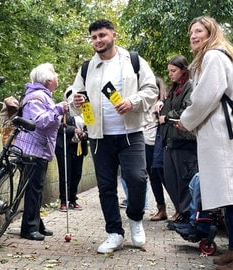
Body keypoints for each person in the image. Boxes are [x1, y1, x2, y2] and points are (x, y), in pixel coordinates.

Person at [69, 19, 158, 253]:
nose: (98, 40)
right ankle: (114, 233)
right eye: (94, 37)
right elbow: (73, 98)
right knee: (106, 187)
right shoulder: (87, 68)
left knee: (138, 178)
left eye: (102, 35)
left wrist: (132, 101)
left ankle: (135, 219)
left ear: (113, 35)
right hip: (100, 137)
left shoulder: (133, 61)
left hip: (131, 133)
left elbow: (151, 90)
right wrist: (75, 100)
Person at [175, 16, 233, 270]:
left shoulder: (214, 57)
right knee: (228, 196)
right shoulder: (210, 58)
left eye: (199, 31)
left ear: (211, 33)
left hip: (225, 137)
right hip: (219, 135)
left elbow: (204, 98)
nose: (193, 35)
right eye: (191, 32)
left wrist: (186, 120)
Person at [15, 62, 67, 241]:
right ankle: (29, 228)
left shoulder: (42, 96)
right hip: (32, 149)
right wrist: (59, 109)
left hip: (38, 149)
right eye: (55, 73)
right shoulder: (38, 96)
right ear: (48, 79)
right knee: (33, 188)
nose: (57, 76)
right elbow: (40, 121)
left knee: (37, 188)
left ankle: (37, 224)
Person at [157, 55, 197, 230]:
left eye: (173, 71)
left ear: (183, 70)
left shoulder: (190, 86)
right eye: (169, 71)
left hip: (184, 141)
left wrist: (167, 116)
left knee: (184, 179)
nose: (170, 74)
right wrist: (161, 105)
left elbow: (187, 109)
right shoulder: (175, 89)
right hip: (170, 141)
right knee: (170, 178)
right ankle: (181, 211)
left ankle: (187, 215)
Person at [55, 87, 88, 212]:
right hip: (65, 147)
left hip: (79, 147)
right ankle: (64, 201)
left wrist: (84, 134)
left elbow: (90, 127)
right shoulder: (64, 110)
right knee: (65, 174)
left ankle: (73, 199)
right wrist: (73, 130)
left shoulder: (85, 111)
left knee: (77, 174)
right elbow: (58, 126)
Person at [146, 76, 169, 221]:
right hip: (145, 143)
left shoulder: (163, 104)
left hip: (159, 143)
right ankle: (161, 208)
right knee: (153, 177)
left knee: (165, 176)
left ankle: (180, 209)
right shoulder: (143, 104)